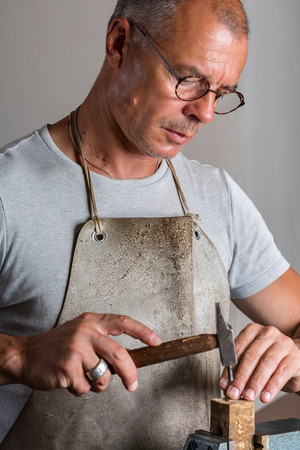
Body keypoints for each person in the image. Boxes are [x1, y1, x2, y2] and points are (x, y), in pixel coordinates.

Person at [0, 0, 299, 448]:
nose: (206, 112)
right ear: (119, 43)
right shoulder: (9, 192)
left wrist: (292, 356)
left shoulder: (218, 197)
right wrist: (18, 355)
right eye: (189, 80)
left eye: (221, 92)